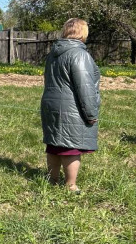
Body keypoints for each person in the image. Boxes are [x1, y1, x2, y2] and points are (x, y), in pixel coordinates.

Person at [40, 18, 100, 193]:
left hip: (50, 104)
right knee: (71, 147)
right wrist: (91, 113)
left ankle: (52, 180)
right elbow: (85, 87)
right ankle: (71, 185)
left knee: (54, 144)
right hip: (70, 107)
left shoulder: (53, 53)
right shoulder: (79, 54)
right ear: (83, 32)